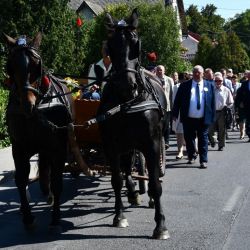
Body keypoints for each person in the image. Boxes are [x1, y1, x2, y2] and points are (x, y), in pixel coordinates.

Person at [172, 65, 215, 168]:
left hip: (203, 118)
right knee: (189, 139)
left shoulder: (209, 85)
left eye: (198, 72)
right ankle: (191, 156)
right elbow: (177, 101)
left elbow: (212, 102)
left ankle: (203, 160)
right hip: (188, 118)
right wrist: (174, 114)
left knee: (203, 139)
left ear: (203, 73)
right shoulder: (184, 85)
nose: (196, 74)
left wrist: (212, 117)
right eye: (194, 72)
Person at [208, 72, 234, 151]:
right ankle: (213, 140)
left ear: (222, 81)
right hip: (212, 112)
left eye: (220, 81)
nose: (218, 82)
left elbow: (231, 102)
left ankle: (221, 145)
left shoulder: (226, 90)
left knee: (222, 129)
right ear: (214, 81)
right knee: (210, 129)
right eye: (216, 81)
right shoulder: (211, 89)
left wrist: (227, 107)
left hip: (222, 112)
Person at [155, 65, 174, 149]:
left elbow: (172, 94)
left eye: (161, 70)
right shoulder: (153, 79)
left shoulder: (169, 80)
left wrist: (173, 106)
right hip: (156, 106)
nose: (159, 71)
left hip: (167, 106)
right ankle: (158, 140)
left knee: (167, 125)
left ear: (164, 71)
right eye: (158, 70)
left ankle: (166, 142)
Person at [172, 73, 185, 159]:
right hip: (179, 112)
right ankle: (180, 151)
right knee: (179, 132)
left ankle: (194, 148)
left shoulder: (191, 86)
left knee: (192, 132)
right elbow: (173, 100)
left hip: (190, 113)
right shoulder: (175, 87)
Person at [235, 70, 250, 142]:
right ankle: (248, 133)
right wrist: (240, 102)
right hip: (246, 105)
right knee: (248, 122)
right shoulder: (244, 84)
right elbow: (239, 94)